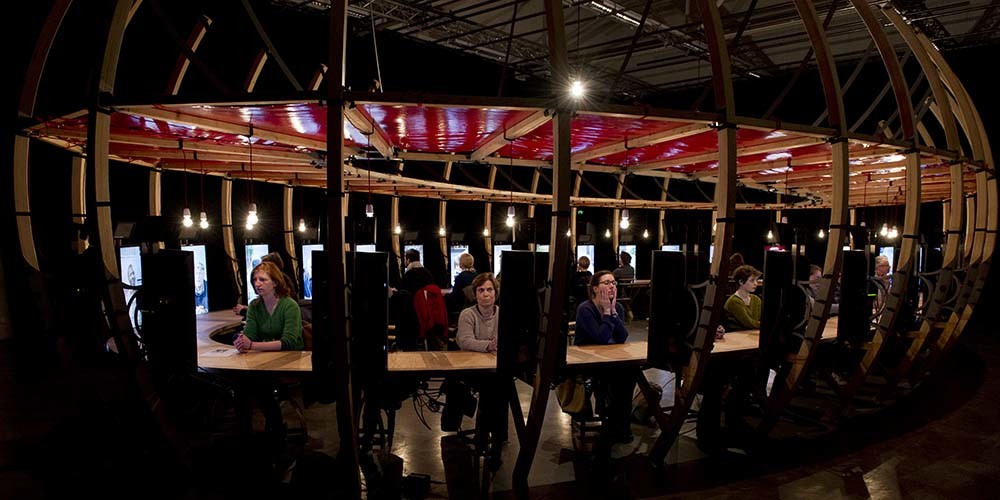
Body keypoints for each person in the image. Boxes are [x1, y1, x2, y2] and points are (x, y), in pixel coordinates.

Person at [575, 271, 633, 443]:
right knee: (614, 379)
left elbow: (622, 337)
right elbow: (601, 338)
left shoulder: (618, 308)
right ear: (595, 288)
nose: (612, 286)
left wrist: (613, 311)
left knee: (630, 375)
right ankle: (612, 420)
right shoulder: (585, 309)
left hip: (612, 359)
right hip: (589, 362)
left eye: (614, 283)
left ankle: (620, 425)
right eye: (606, 283)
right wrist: (607, 312)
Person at [233, 261, 304, 352]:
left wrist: (251, 345)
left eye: (262, 280)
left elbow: (288, 343)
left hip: (291, 357)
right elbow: (250, 335)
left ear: (275, 283)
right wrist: (241, 341)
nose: (257, 284)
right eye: (255, 280)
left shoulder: (290, 306)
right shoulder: (254, 306)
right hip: (265, 356)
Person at [456, 273, 499, 353]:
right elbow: (465, 341)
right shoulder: (467, 314)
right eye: (481, 290)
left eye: (489, 290)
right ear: (475, 295)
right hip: (471, 359)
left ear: (495, 293)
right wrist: (489, 345)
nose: (485, 294)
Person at [723, 264, 762, 330]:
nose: (756, 283)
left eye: (756, 280)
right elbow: (749, 324)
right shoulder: (734, 301)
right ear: (741, 282)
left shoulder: (756, 299)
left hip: (751, 333)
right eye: (752, 280)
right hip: (736, 334)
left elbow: (757, 321)